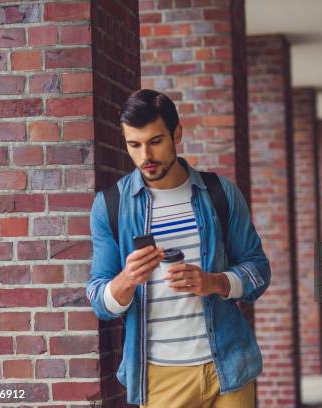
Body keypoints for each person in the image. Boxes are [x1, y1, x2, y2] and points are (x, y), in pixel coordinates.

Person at [85, 89, 271, 407]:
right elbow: (99, 300)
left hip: (229, 367)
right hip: (160, 379)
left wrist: (214, 282)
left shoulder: (220, 194)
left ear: (177, 133)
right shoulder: (110, 206)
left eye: (155, 141)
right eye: (134, 145)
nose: (146, 156)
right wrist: (127, 279)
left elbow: (258, 270)